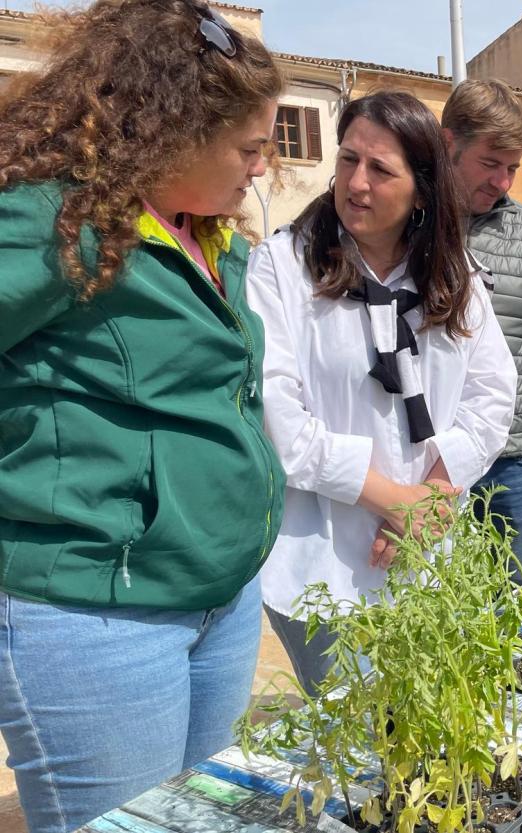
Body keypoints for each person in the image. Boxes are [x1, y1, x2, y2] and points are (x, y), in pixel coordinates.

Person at [0, 3, 285, 831]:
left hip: (217, 597)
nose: (263, 166)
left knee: (204, 821)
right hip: (99, 617)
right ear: (172, 129)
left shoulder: (203, 232)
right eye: (249, 147)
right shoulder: (55, 222)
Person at [247, 91, 516, 695]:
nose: (356, 183)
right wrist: (392, 500)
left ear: (422, 190)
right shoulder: (282, 267)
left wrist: (433, 495)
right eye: (348, 160)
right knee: (359, 732)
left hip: (431, 553)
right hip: (324, 567)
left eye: (380, 169)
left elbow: (493, 395)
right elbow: (275, 414)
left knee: (433, 722)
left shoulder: (455, 274)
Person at [441, 79, 522, 583]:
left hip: (514, 454)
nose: (503, 182)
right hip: (433, 459)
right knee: (440, 603)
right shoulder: (406, 223)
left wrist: (501, 387)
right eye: (491, 163)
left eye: (513, 168)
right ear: (448, 144)